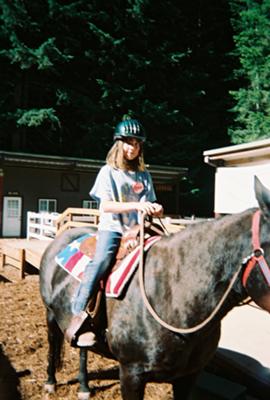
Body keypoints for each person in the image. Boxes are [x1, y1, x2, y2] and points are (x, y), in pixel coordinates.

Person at [65, 116, 163, 346]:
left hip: (138, 229)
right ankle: (78, 312)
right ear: (119, 144)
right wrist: (137, 205)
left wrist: (155, 208)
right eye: (129, 142)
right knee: (101, 261)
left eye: (138, 143)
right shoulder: (108, 172)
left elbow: (149, 203)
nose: (134, 147)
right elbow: (106, 206)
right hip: (113, 229)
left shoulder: (144, 175)